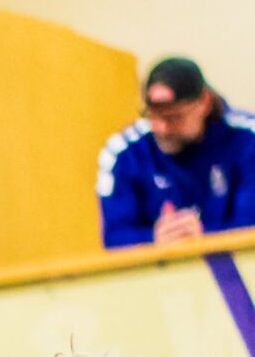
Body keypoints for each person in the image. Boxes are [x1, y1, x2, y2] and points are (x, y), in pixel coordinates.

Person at [97, 57, 255, 249]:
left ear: (204, 103)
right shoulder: (125, 152)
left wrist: (203, 235)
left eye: (174, 117)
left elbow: (249, 226)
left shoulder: (246, 139)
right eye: (153, 116)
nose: (162, 128)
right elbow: (114, 236)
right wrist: (154, 238)